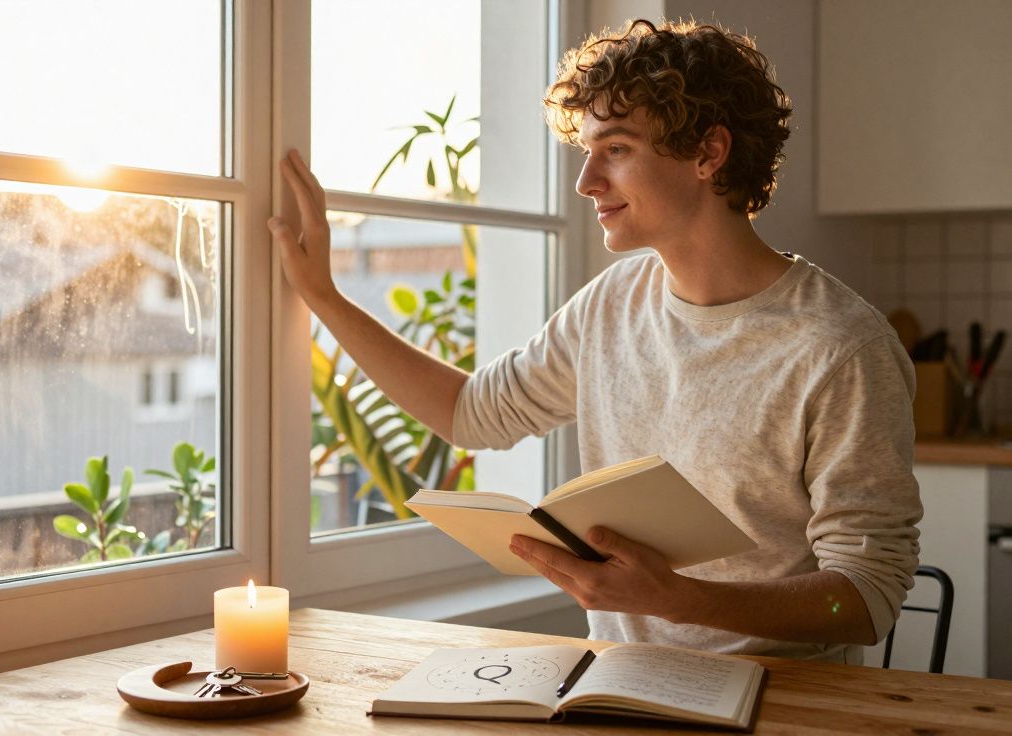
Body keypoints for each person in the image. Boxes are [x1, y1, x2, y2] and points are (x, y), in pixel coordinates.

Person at [270, 18, 921, 664]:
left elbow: (865, 600)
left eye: (615, 149)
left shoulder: (840, 346)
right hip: (620, 688)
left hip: (788, 704)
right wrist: (323, 296)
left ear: (708, 153)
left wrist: (677, 599)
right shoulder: (612, 304)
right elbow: (470, 414)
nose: (586, 182)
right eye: (587, 151)